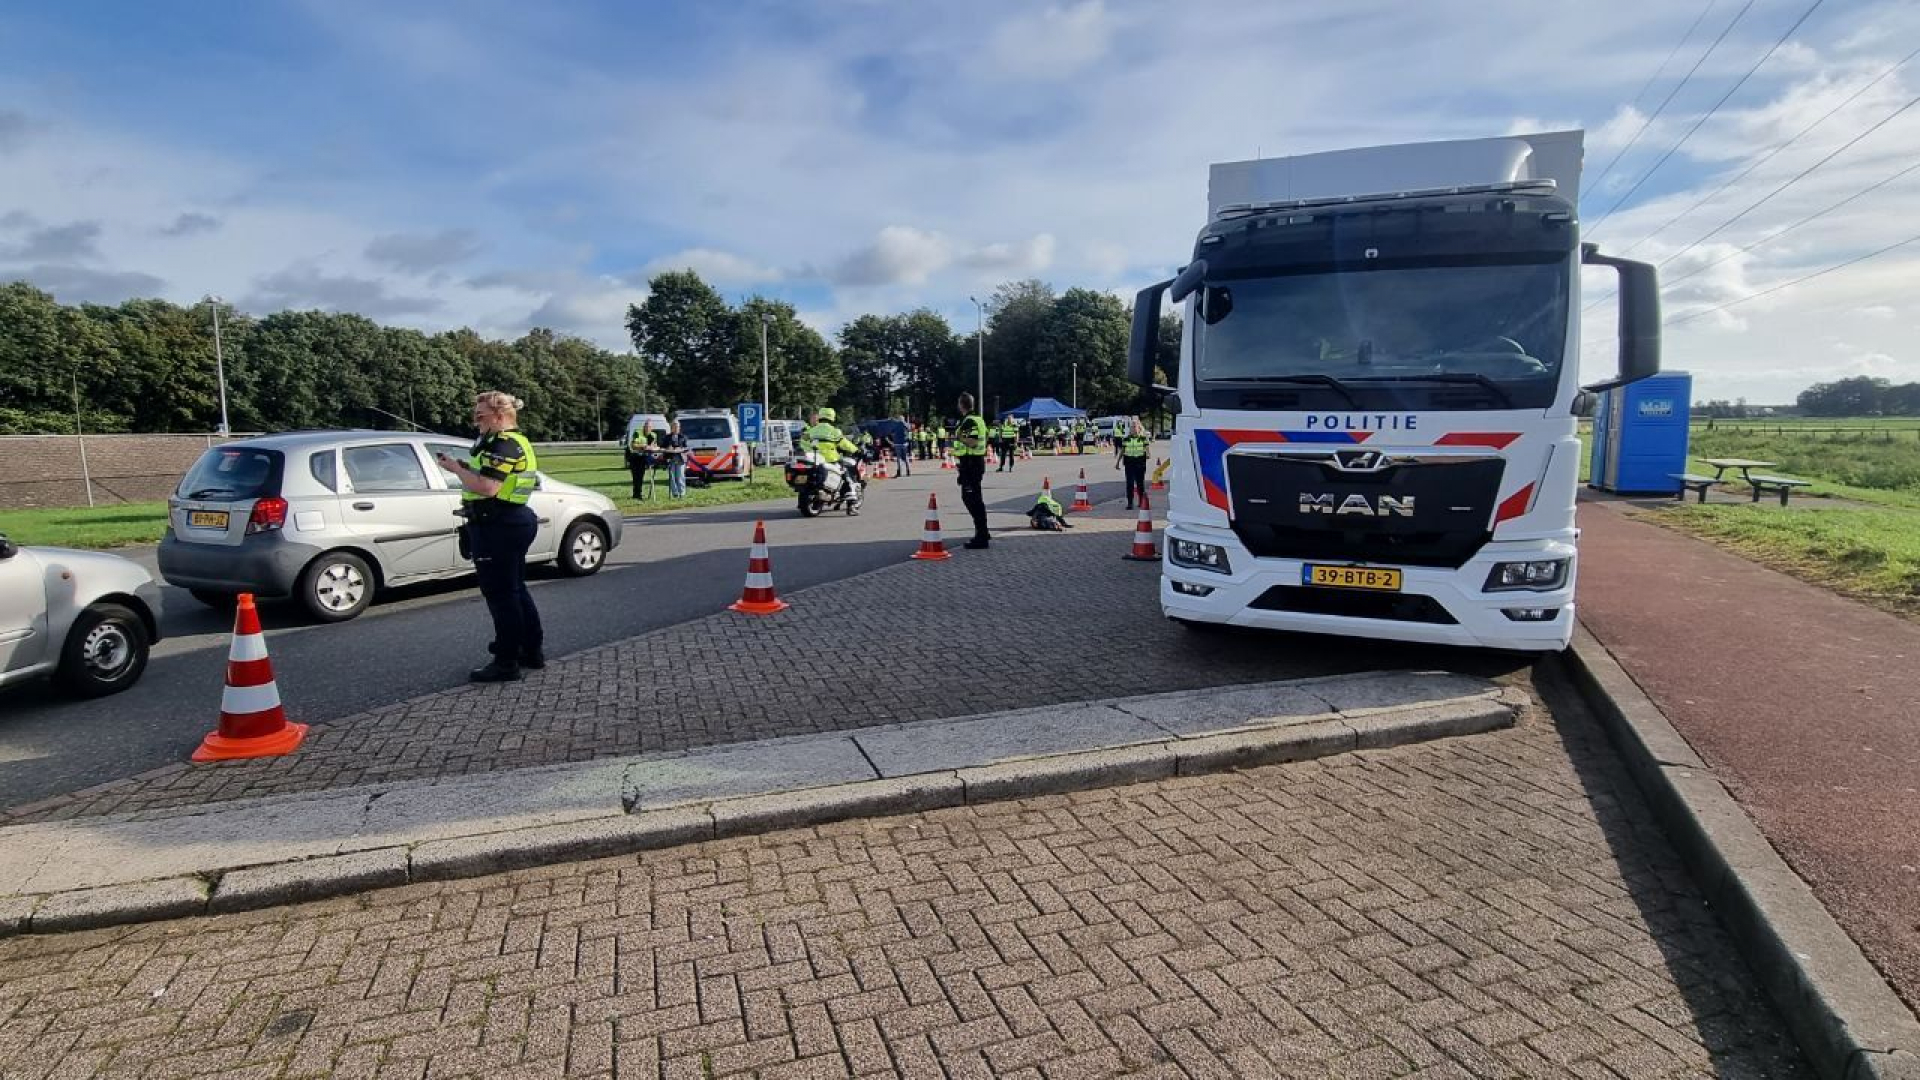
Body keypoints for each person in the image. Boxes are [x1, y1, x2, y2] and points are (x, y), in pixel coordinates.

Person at [436, 391, 543, 683]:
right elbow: (492, 478)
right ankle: (530, 651)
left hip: (499, 524)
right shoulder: (509, 442)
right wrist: (467, 468)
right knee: (515, 589)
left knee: (501, 596)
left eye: (480, 416)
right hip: (507, 522)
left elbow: (487, 487)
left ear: (499, 416)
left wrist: (457, 470)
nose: (475, 421)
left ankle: (506, 662)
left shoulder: (505, 443)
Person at [952, 394, 990, 548]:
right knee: (976, 499)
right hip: (974, 462)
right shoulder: (979, 419)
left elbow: (972, 442)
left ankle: (981, 535)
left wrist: (958, 436)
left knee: (971, 500)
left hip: (971, 463)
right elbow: (985, 437)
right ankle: (983, 532)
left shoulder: (970, 421)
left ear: (961, 405)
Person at [1115, 416, 1151, 510]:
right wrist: (1118, 462)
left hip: (1140, 462)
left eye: (1135, 427)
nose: (1133, 429)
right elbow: (1122, 451)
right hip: (1129, 463)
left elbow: (1147, 450)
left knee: (1140, 483)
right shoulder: (1126, 439)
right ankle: (1130, 503)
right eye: (1131, 427)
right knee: (1129, 484)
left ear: (1139, 428)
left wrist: (1147, 454)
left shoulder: (1143, 438)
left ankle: (1141, 501)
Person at [624, 424, 657, 499]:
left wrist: (652, 447)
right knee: (636, 476)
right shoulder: (637, 433)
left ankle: (638, 494)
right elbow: (633, 445)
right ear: (643, 427)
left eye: (649, 427)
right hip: (634, 456)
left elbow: (653, 445)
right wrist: (644, 446)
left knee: (641, 476)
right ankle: (636, 494)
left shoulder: (653, 435)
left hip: (643, 457)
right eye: (646, 427)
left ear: (652, 428)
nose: (648, 429)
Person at [660, 419, 690, 499]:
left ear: (679, 428)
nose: (676, 428)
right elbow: (662, 447)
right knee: (672, 477)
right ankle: (675, 493)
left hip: (680, 458)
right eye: (674, 426)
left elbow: (686, 448)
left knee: (680, 476)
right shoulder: (667, 437)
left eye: (677, 427)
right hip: (670, 458)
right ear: (671, 428)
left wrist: (681, 448)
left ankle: (682, 493)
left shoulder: (683, 437)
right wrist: (667, 448)